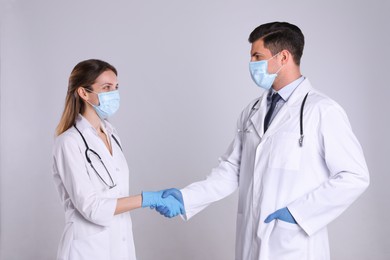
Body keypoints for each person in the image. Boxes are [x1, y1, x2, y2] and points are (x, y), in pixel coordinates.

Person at [154, 22, 370, 260]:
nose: (251, 64)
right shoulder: (252, 111)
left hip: (293, 244)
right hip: (251, 241)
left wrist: (297, 214)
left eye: (258, 56)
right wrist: (187, 197)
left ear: (284, 57)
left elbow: (354, 175)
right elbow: (231, 170)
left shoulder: (322, 110)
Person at [52, 59, 184, 260]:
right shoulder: (69, 142)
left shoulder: (112, 134)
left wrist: (155, 198)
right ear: (83, 92)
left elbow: (116, 192)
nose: (114, 93)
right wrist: (148, 199)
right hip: (87, 251)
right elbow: (92, 208)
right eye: (106, 88)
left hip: (120, 246)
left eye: (116, 87)